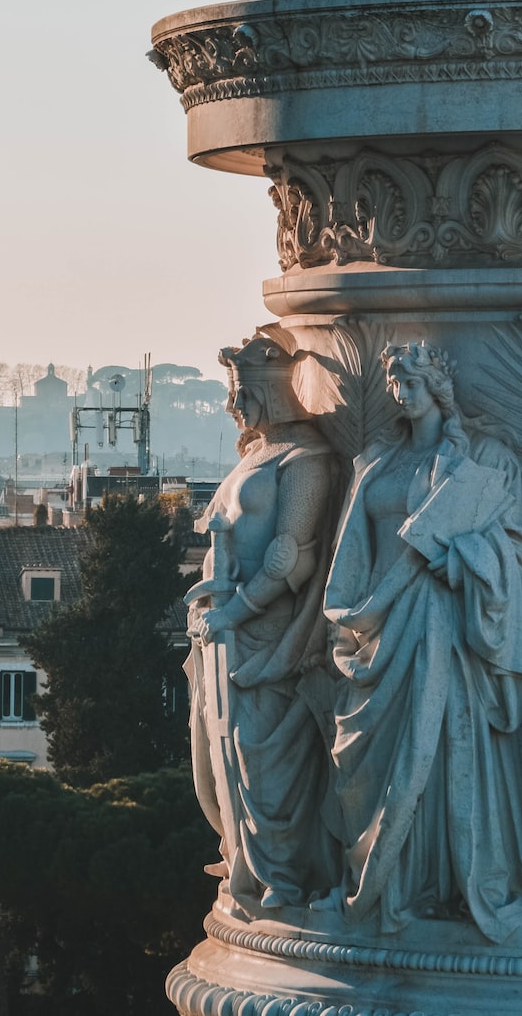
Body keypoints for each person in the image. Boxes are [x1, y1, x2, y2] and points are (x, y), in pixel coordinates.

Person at [320, 340, 522, 941]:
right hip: (378, 629)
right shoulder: (376, 461)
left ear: (439, 387)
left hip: (446, 628)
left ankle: (437, 885)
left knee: (443, 754)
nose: (401, 393)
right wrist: (355, 613)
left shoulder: (485, 460)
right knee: (377, 763)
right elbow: (350, 555)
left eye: (411, 382)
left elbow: (519, 551)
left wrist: (460, 560)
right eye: (394, 382)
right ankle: (383, 885)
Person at [185, 327, 340, 912]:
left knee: (259, 759)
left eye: (242, 392)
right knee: (213, 762)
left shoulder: (307, 460)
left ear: (270, 391)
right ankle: (242, 860)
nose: (233, 406)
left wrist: (235, 611)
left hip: (262, 637)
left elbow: (288, 557)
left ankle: (285, 879)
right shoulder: (258, 454)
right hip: (219, 634)